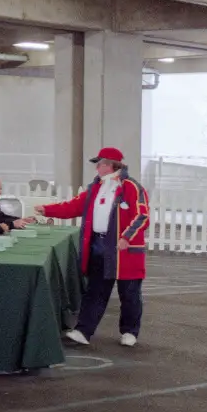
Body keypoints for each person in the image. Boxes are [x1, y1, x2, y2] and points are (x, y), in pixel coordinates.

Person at [34, 147, 149, 348]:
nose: (97, 167)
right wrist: (47, 210)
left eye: (102, 163)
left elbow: (142, 215)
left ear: (113, 165)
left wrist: (126, 236)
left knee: (129, 293)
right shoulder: (95, 187)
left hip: (124, 250)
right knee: (95, 290)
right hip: (99, 244)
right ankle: (83, 330)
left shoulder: (131, 187)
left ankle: (130, 331)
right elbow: (74, 206)